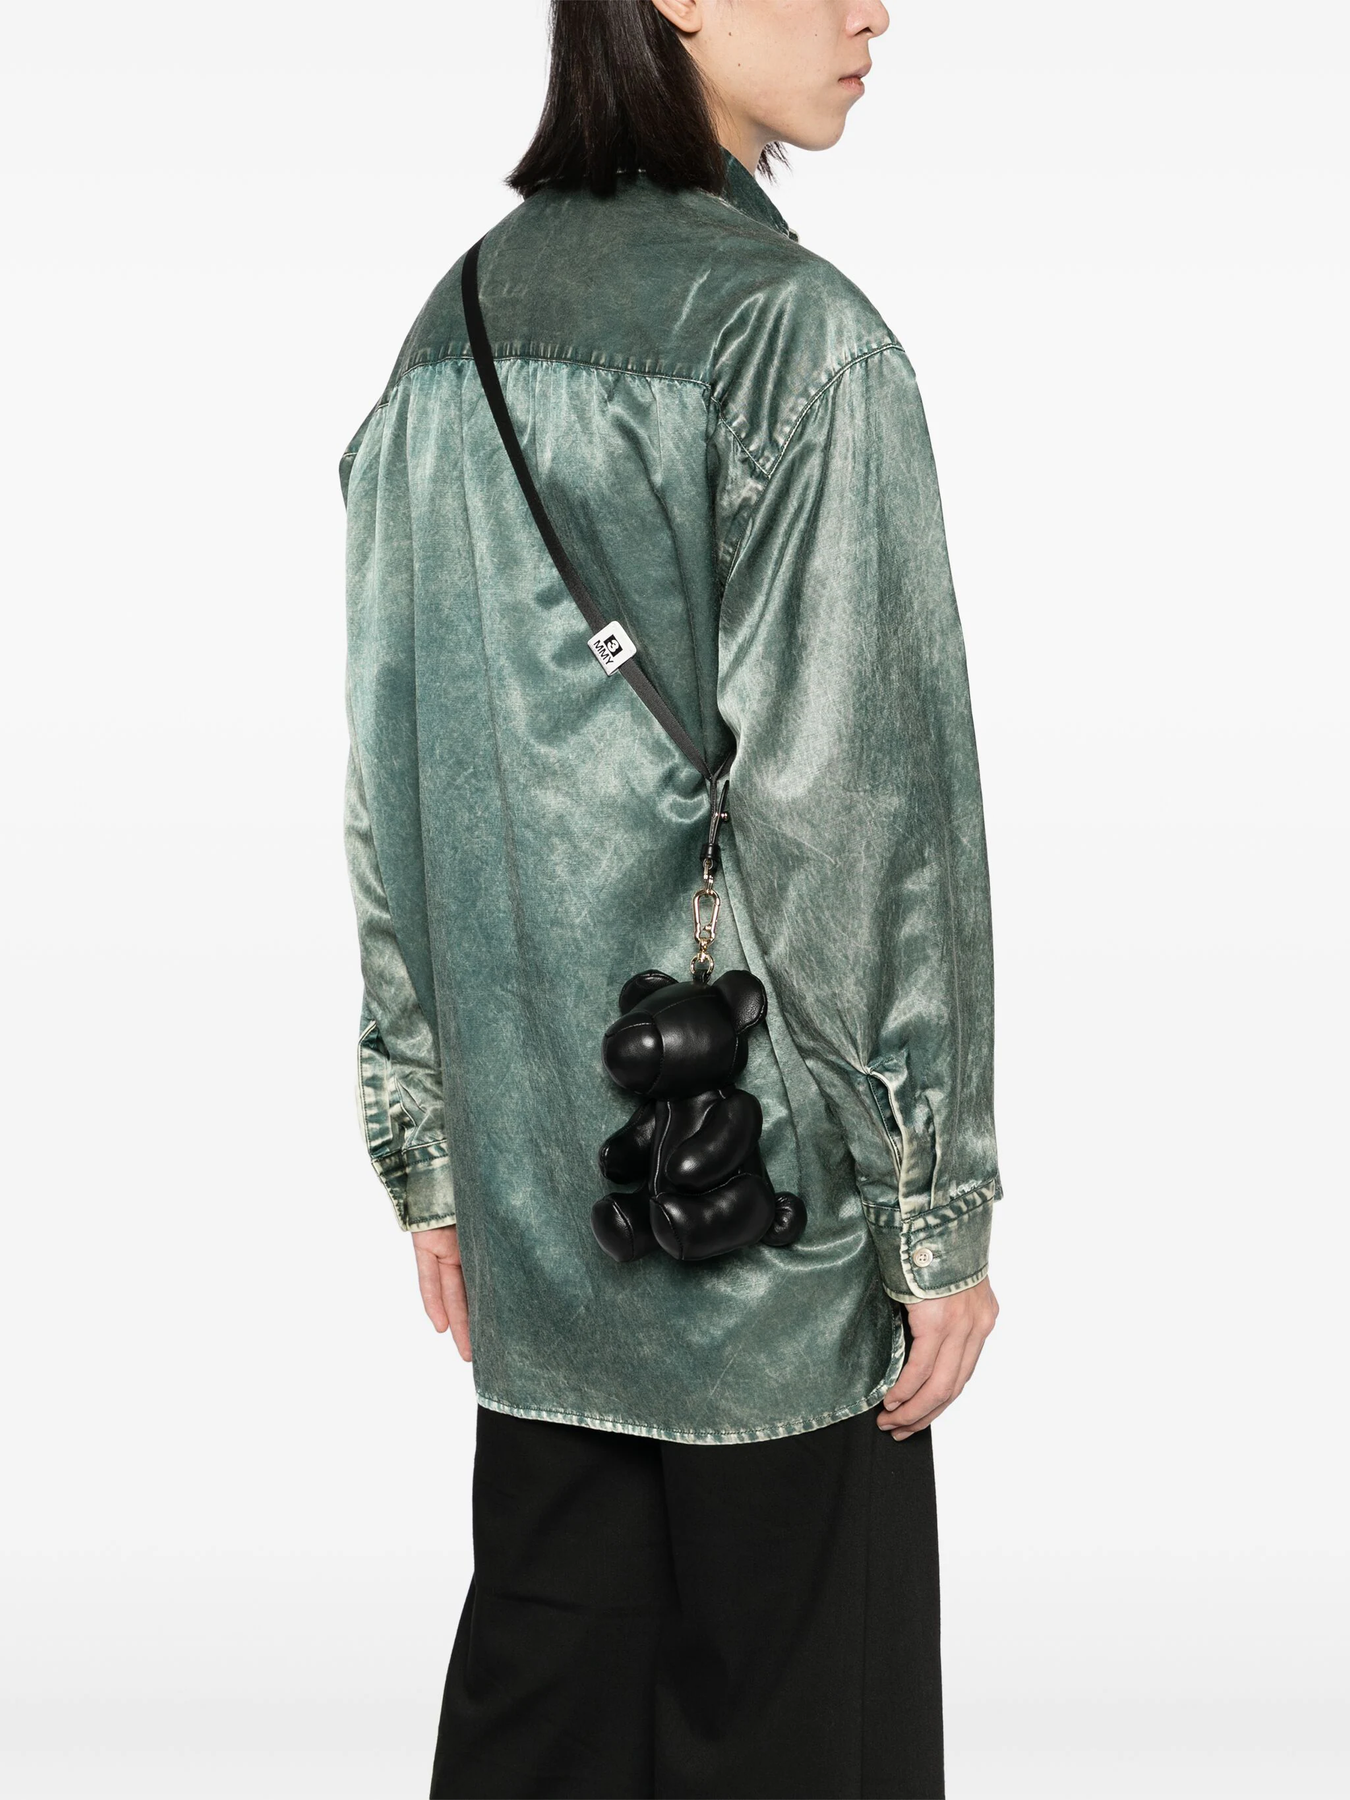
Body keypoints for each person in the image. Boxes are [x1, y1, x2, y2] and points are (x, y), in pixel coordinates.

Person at [341, 2, 1001, 1794]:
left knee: (542, 1740)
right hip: (771, 1238)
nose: (874, 10)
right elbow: (860, 818)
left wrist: (427, 1147)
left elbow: (392, 778)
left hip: (540, 1238)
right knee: (801, 1743)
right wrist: (932, 1208)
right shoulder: (795, 341)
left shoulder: (447, 332)